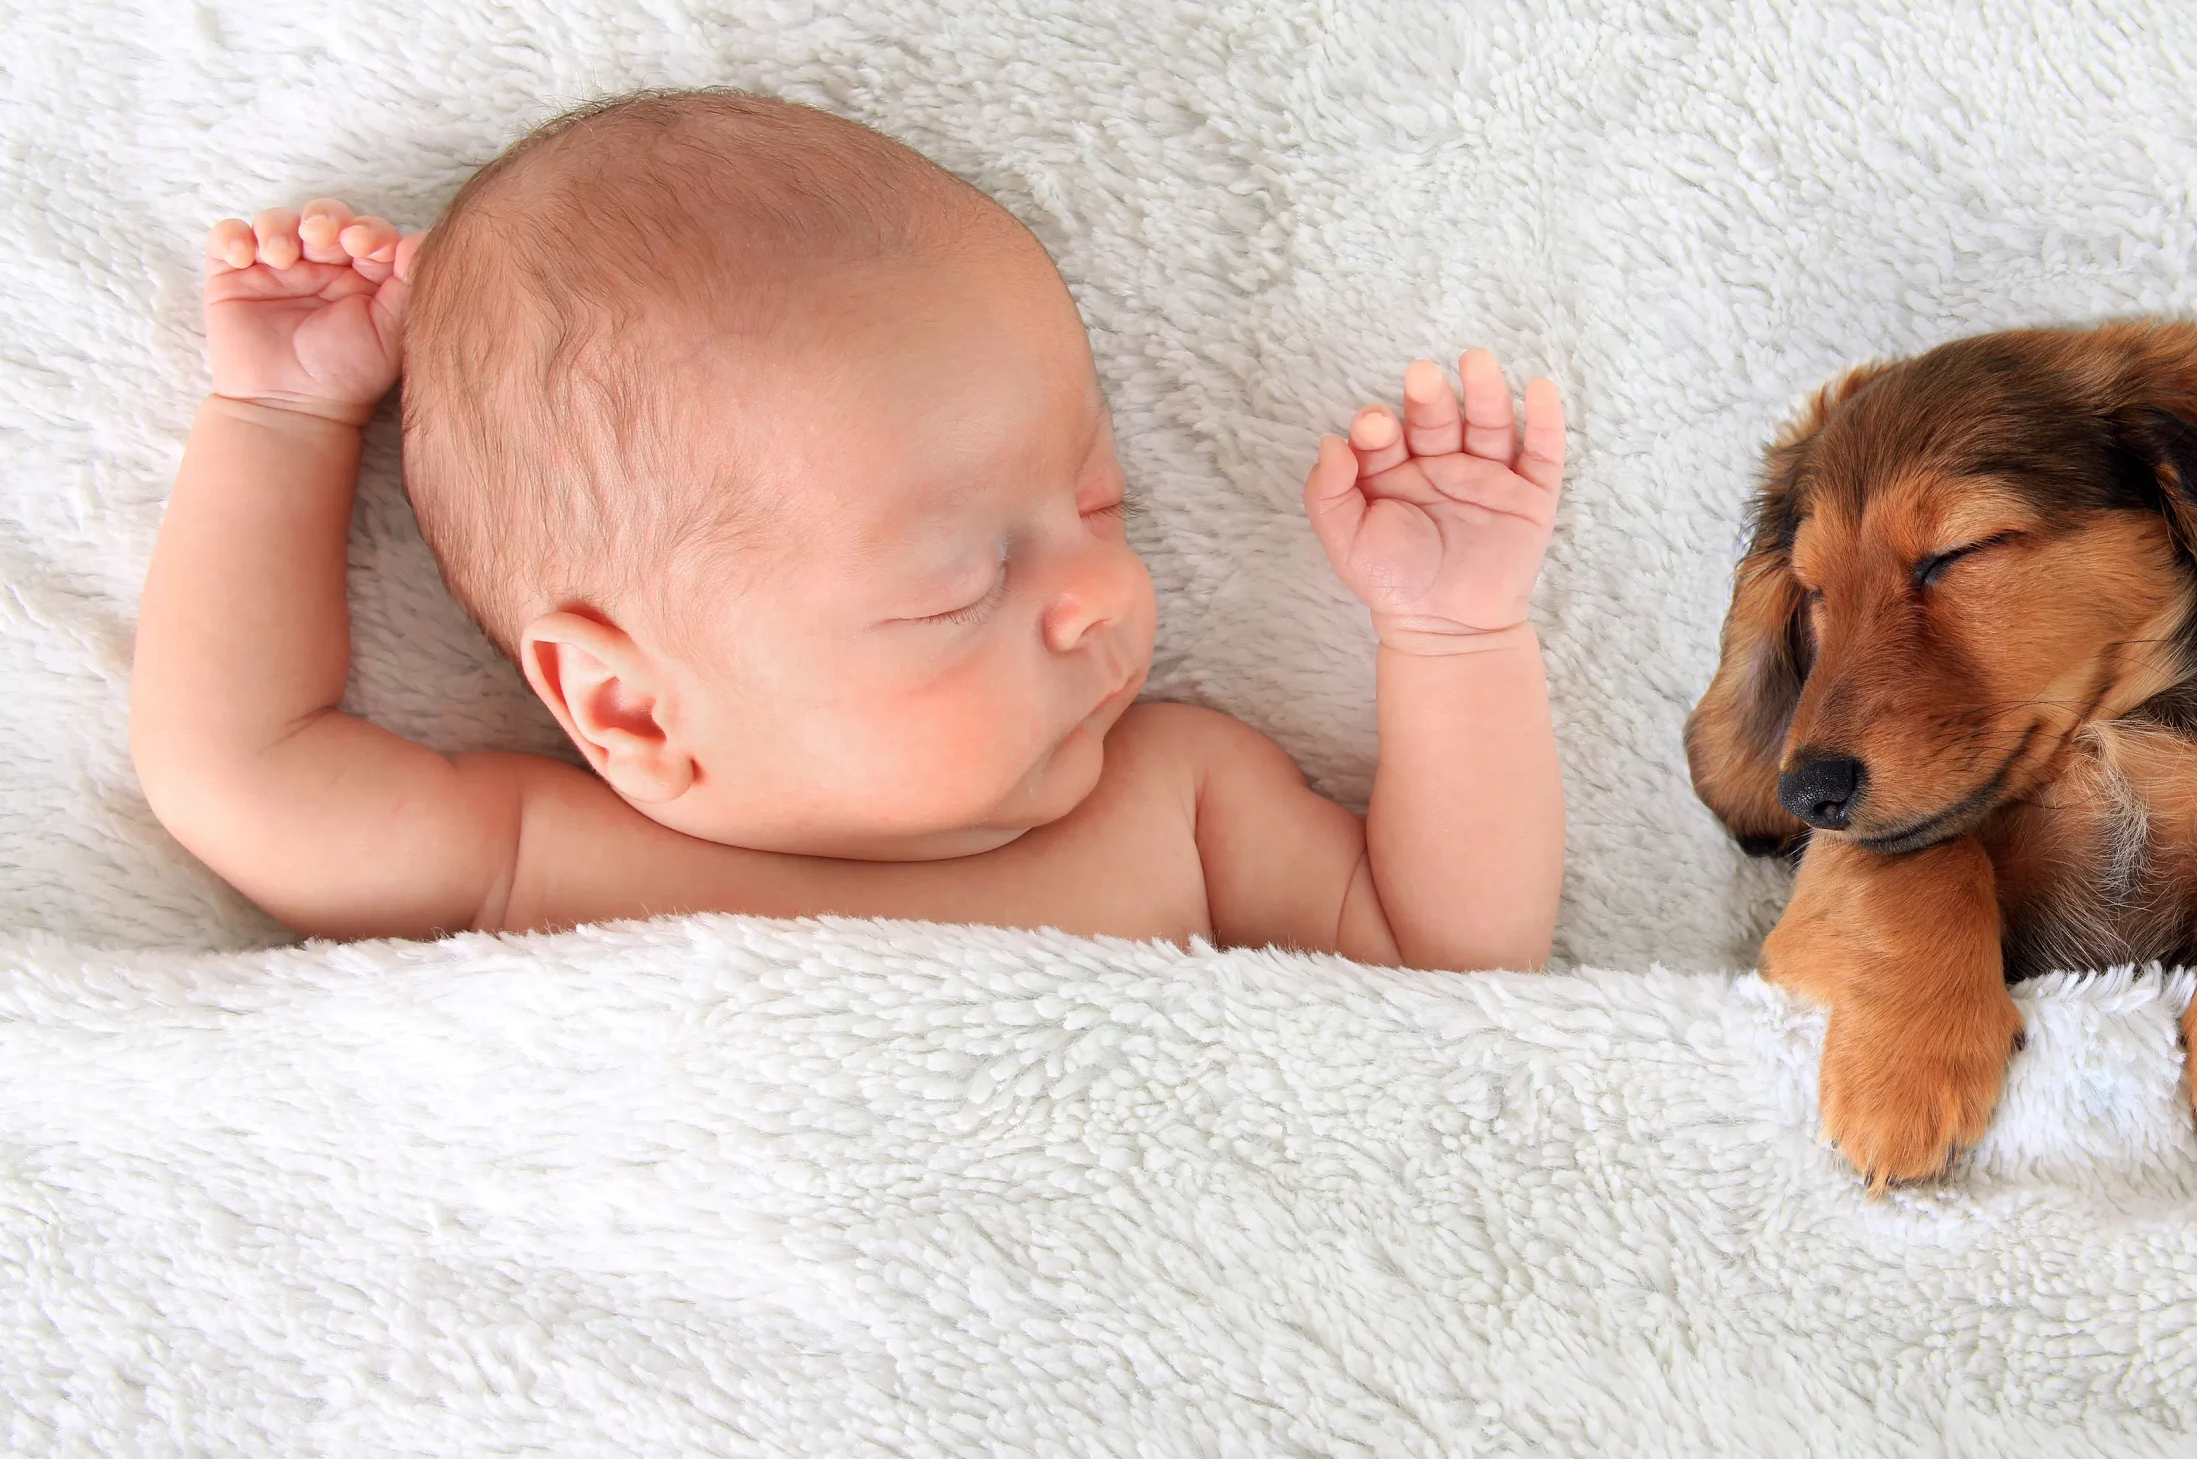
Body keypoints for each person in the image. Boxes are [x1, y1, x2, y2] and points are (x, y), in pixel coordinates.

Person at [131, 91, 1567, 971]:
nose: (1100, 594)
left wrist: (1452, 634)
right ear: (630, 701)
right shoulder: (528, 857)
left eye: (1091, 501)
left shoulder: (1179, 801)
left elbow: (1450, 952)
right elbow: (236, 769)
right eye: (961, 585)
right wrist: (279, 422)